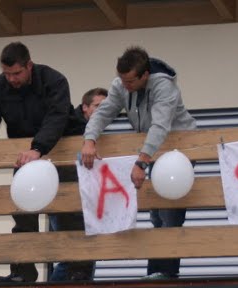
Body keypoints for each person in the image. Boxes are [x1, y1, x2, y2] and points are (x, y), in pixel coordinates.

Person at [0, 42, 88, 284]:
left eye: (16, 73)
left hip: (59, 151)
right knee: (23, 217)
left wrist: (37, 148)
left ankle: (78, 269)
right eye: (7, 74)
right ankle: (22, 272)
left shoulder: (54, 80)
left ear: (29, 65)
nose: (12, 79)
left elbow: (57, 117)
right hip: (25, 157)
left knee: (70, 214)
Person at [79, 46, 197, 280]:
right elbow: (103, 113)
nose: (125, 86)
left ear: (145, 75)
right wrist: (89, 140)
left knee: (170, 216)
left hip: (178, 152)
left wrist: (141, 163)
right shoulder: (120, 84)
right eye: (122, 80)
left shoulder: (165, 87)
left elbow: (160, 126)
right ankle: (156, 272)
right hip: (152, 152)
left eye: (130, 81)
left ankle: (167, 273)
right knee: (156, 217)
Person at [48, 87, 108, 282]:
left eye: (106, 107)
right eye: (98, 106)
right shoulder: (70, 126)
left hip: (82, 198)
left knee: (83, 254)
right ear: (84, 107)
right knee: (74, 254)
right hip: (65, 196)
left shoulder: (96, 134)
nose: (103, 111)